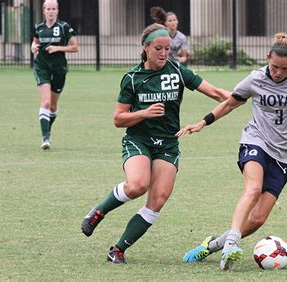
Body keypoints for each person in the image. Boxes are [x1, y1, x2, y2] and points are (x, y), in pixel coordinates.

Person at [177, 33, 287, 271]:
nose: (278, 72)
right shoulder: (255, 78)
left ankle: (213, 245)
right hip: (255, 140)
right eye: (274, 66)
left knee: (257, 219)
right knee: (252, 188)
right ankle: (232, 244)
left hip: (284, 153)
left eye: (284, 68)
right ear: (267, 59)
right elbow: (230, 102)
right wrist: (203, 122)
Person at [80, 24, 230, 264]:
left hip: (168, 144)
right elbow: (118, 119)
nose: (164, 53)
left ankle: (117, 250)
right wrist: (144, 113)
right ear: (145, 48)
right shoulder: (132, 78)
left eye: (168, 49)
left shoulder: (177, 71)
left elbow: (213, 91)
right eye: (158, 48)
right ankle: (98, 212)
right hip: (139, 140)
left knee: (157, 199)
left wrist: (240, 96)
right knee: (138, 185)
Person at [31, 0, 78, 149]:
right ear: (44, 11)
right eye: (48, 9)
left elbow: (75, 47)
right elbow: (35, 42)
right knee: (45, 101)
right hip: (42, 67)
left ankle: (47, 129)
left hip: (59, 69)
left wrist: (57, 48)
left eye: (54, 9)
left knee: (52, 105)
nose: (51, 11)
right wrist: (33, 47)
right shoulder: (38, 27)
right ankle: (45, 138)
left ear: (57, 11)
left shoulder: (64, 27)